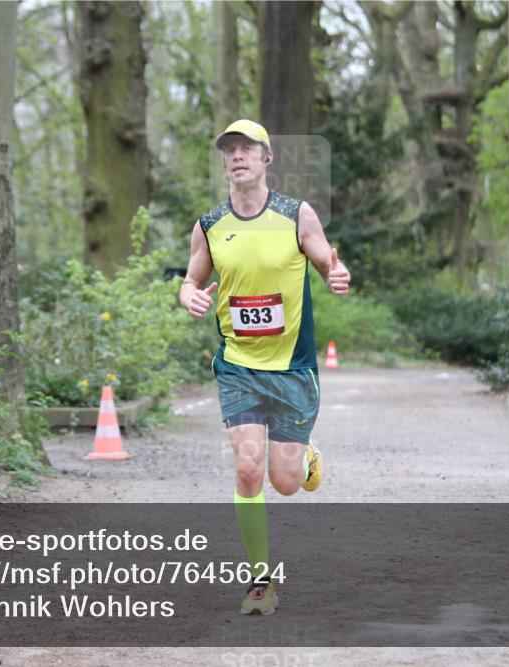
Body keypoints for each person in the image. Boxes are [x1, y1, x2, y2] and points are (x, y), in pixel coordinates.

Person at [178, 119, 351, 615]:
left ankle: (305, 456)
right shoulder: (210, 225)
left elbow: (327, 264)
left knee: (287, 482)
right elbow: (191, 279)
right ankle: (260, 583)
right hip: (237, 367)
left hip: (293, 368)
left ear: (267, 158)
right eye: (230, 150)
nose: (238, 156)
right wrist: (189, 296)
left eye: (247, 149)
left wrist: (337, 275)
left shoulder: (296, 215)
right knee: (248, 468)